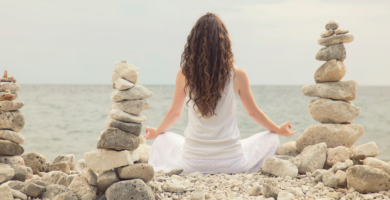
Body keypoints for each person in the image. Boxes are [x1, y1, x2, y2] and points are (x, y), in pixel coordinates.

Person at [145, 12, 296, 174]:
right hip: (231, 162)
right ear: (224, 43)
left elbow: (175, 113)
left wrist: (156, 131)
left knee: (162, 138)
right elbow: (253, 113)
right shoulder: (238, 74)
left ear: (193, 44)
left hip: (192, 163)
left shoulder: (184, 74)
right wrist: (278, 129)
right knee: (272, 138)